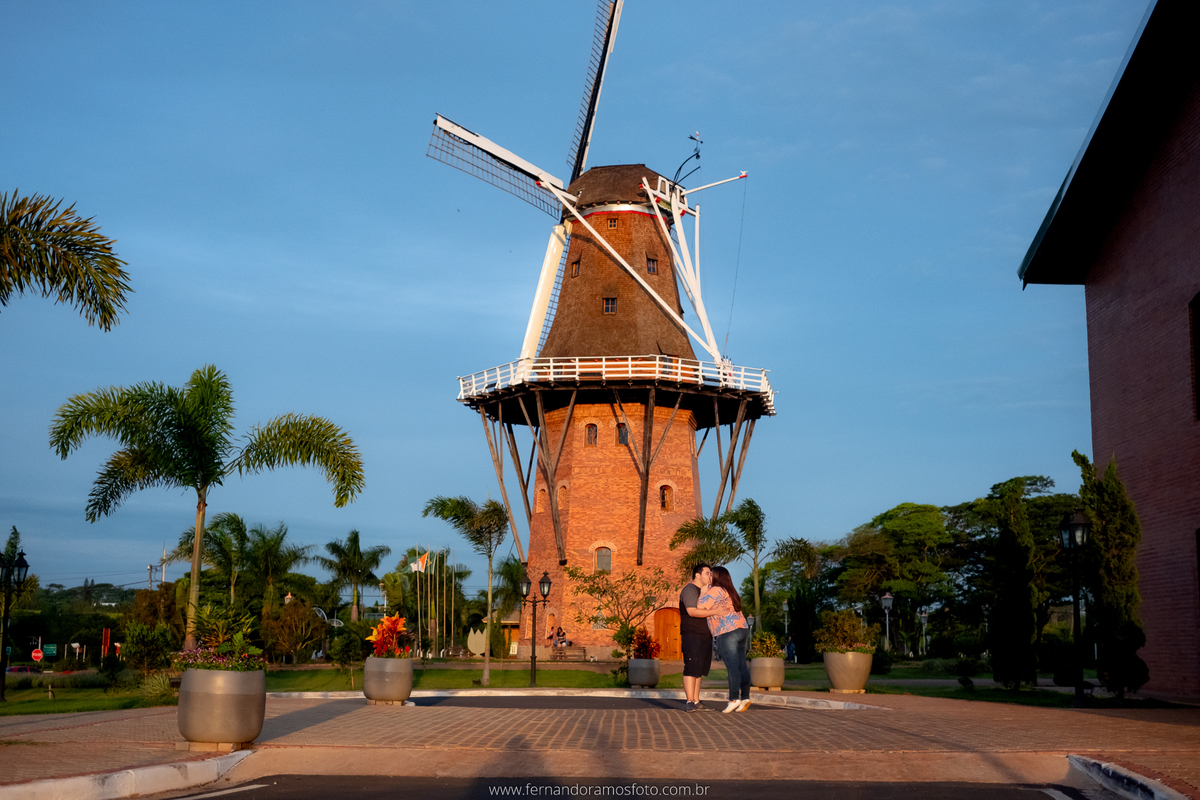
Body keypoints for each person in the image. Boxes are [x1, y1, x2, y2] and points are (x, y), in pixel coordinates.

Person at [696, 566, 751, 713]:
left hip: (727, 631)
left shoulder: (716, 590)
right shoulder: (730, 590)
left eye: (710, 575)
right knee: (742, 666)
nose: (709, 577)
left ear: (716, 577)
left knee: (732, 666)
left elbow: (700, 605)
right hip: (742, 629)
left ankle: (734, 699)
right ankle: (745, 697)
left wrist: (703, 591)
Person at [678, 562, 714, 712]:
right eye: (707, 573)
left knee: (699, 670)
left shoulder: (705, 592)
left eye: (711, 574)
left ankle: (696, 701)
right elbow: (692, 611)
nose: (710, 576)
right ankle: (689, 701)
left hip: (705, 635)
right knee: (692, 667)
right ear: (697, 575)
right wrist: (715, 611)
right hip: (692, 634)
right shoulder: (690, 590)